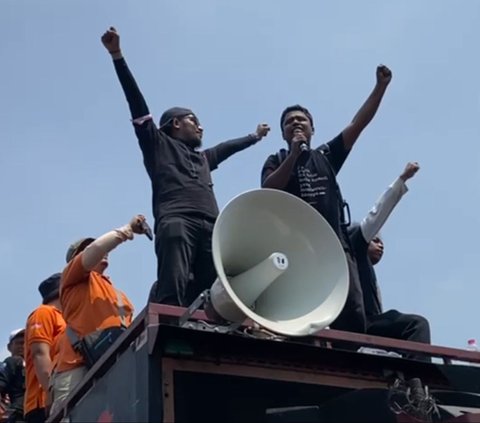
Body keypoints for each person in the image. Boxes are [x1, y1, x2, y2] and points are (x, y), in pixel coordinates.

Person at [101, 26, 271, 307]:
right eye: (194, 120)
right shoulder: (157, 145)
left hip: (212, 227)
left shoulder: (203, 159)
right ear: (176, 124)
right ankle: (169, 321)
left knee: (213, 291)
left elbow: (227, 148)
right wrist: (117, 55)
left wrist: (253, 137)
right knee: (175, 282)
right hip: (177, 220)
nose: (201, 126)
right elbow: (137, 104)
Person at [261, 66, 392, 333]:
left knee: (352, 309)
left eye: (302, 120)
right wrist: (293, 156)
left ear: (313, 128)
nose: (296, 123)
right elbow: (268, 188)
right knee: (304, 310)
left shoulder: (326, 156)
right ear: (284, 133)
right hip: (298, 248)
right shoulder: (276, 160)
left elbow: (358, 124)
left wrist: (380, 87)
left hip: (335, 246)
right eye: (289, 122)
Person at [49, 215, 146, 417]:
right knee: (69, 415)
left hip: (110, 362)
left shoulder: (121, 297)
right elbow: (95, 251)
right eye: (88, 248)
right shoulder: (71, 279)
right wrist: (126, 230)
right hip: (75, 365)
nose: (101, 251)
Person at [347, 162, 430, 355]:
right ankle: (420, 376)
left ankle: (408, 376)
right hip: (359, 323)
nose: (381, 245)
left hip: (371, 325)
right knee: (416, 325)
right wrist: (402, 180)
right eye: (375, 240)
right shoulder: (354, 247)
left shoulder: (367, 273)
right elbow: (376, 215)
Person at [24, 273, 66, 423]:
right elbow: (39, 353)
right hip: (42, 403)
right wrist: (50, 391)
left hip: (61, 395)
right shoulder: (44, 312)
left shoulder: (66, 317)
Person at [0, 329, 25, 422]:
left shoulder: (36, 365)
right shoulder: (10, 363)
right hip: (18, 415)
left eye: (26, 342)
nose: (22, 346)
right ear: (9, 347)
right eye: (19, 343)